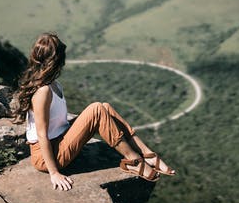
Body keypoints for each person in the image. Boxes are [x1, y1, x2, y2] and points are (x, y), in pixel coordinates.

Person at [12, 32, 175, 191]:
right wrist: (54, 173)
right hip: (47, 157)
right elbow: (41, 135)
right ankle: (134, 161)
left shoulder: (54, 84)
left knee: (105, 107)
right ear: (57, 61)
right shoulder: (43, 91)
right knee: (96, 109)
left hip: (60, 140)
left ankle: (146, 153)